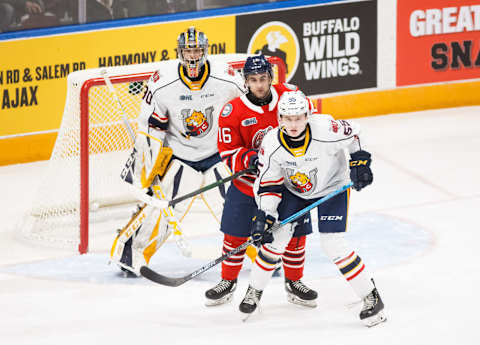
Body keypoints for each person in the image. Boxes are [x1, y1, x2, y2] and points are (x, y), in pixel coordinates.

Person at [239, 90, 386, 327]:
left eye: (299, 117)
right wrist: (264, 216)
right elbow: (268, 184)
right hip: (294, 191)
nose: (294, 123)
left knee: (333, 244)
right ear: (280, 119)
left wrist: (360, 161)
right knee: (275, 241)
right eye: (288, 118)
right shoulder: (271, 144)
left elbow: (355, 134)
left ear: (307, 115)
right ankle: (254, 291)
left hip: (332, 187)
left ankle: (371, 297)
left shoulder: (326, 129)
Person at [110, 26, 245, 276]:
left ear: (206, 51)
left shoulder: (227, 78)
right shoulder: (163, 82)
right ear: (179, 52)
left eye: (197, 50)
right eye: (187, 50)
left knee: (239, 205)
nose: (192, 56)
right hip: (180, 156)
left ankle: (266, 250)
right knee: (161, 208)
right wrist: (150, 169)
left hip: (220, 154)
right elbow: (151, 128)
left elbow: (246, 110)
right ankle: (130, 254)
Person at [206, 54, 318, 307]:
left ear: (271, 78)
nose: (259, 85)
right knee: (234, 235)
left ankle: (294, 283)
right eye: (253, 80)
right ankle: (228, 282)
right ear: (245, 81)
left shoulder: (289, 97)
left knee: (296, 236)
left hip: (289, 184)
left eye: (264, 79)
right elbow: (227, 152)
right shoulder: (232, 111)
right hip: (248, 185)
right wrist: (249, 158)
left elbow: (313, 126)